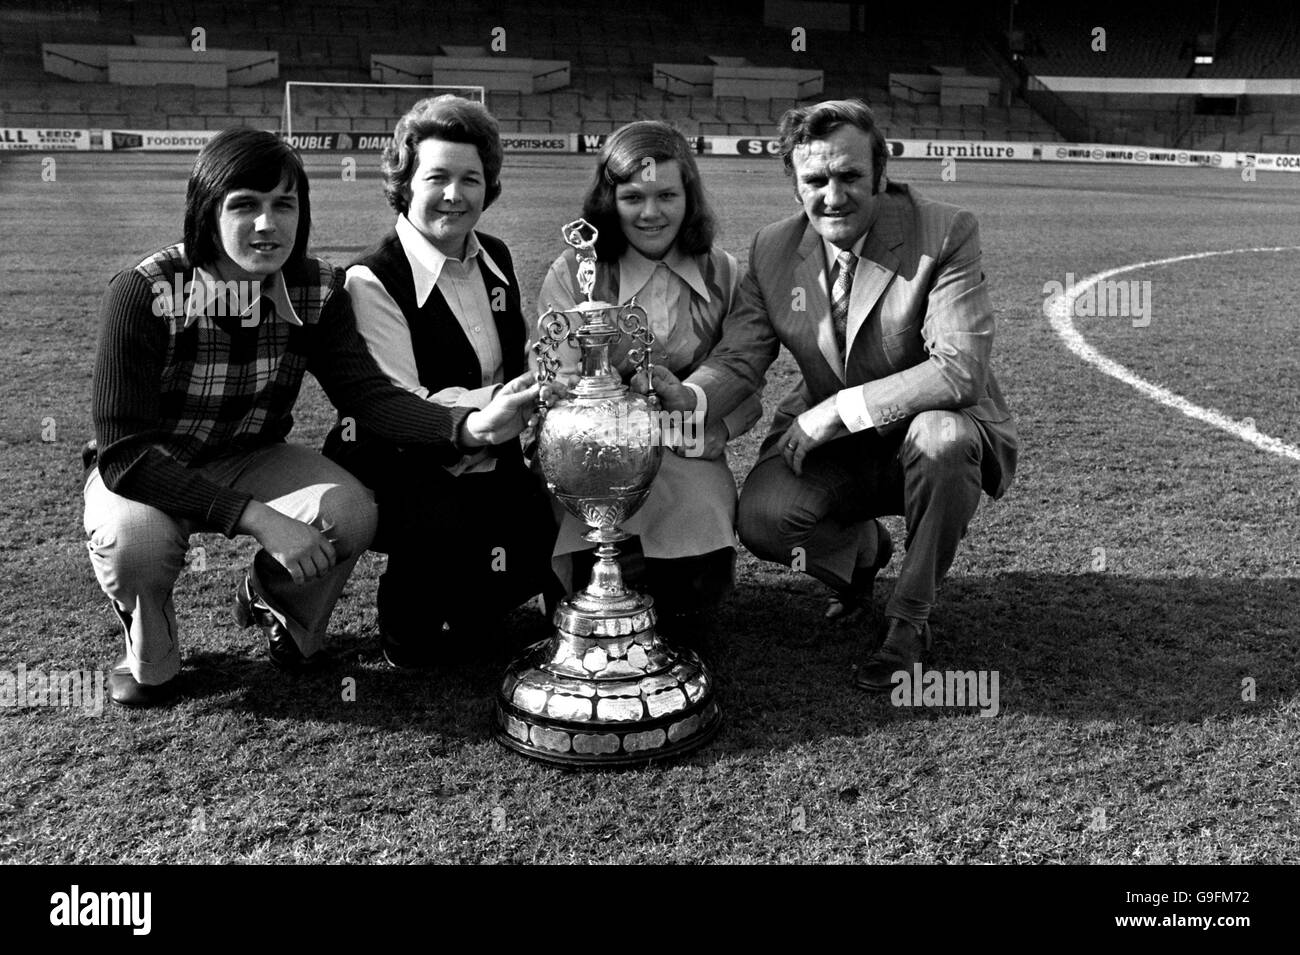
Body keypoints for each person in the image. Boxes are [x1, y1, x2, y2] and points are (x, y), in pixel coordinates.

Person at [85, 126, 545, 706]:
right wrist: (258, 519)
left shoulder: (316, 288)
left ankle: (282, 604)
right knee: (138, 543)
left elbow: (370, 397)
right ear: (206, 212)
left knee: (350, 510)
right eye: (244, 206)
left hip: (251, 455)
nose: (267, 224)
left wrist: (466, 427)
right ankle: (149, 648)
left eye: (284, 205)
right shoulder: (144, 292)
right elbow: (124, 456)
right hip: (151, 470)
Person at [640, 99, 1018, 688]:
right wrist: (690, 397)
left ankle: (909, 620)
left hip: (930, 426)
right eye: (815, 180)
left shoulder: (943, 230)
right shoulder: (771, 248)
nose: (833, 196)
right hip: (838, 442)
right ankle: (865, 555)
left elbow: (960, 371)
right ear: (794, 185)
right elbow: (741, 355)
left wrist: (841, 409)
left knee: (942, 440)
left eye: (849, 176)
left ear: (881, 173)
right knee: (765, 520)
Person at [323, 96, 560, 668]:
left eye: (471, 180)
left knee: (542, 535)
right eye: (438, 178)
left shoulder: (496, 256)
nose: (455, 195)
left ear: (489, 187)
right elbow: (398, 405)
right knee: (442, 538)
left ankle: (473, 602)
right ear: (404, 183)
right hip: (404, 463)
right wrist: (500, 405)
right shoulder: (371, 278)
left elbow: (509, 361)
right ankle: (406, 619)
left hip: (492, 453)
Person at [537, 120, 763, 623]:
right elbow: (557, 390)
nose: (652, 212)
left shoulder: (724, 273)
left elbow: (746, 380)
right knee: (595, 600)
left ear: (690, 196)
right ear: (608, 199)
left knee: (692, 594)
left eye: (667, 195)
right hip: (595, 460)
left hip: (688, 451)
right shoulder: (574, 273)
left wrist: (717, 428)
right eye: (633, 197)